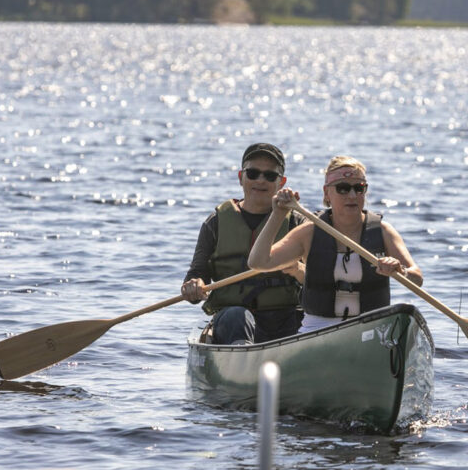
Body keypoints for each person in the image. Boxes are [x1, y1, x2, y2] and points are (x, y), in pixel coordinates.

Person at [247, 155, 422, 333]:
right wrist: (278, 214)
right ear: (327, 193)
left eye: (359, 188)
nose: (352, 195)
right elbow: (259, 262)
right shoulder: (309, 233)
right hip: (318, 329)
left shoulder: (383, 231)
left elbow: (417, 279)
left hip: (371, 330)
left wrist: (401, 271)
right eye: (343, 188)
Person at [181, 142, 305, 344]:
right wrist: (194, 286)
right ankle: (244, 359)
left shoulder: (297, 222)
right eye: (253, 173)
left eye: (270, 176)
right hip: (232, 320)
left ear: (281, 182)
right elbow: (197, 274)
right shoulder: (216, 223)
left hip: (285, 318)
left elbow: (318, 280)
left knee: (305, 320)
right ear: (241, 177)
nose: (261, 180)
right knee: (237, 317)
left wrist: (299, 269)